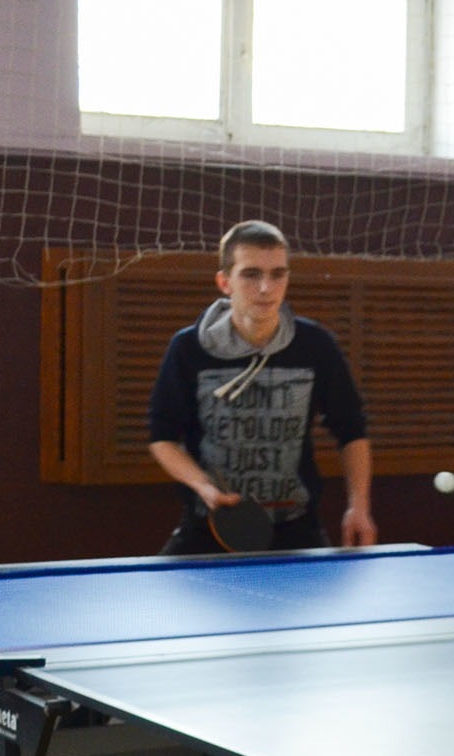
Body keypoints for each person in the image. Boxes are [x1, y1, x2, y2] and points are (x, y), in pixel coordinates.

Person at [148, 220, 377, 554]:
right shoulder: (189, 348)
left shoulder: (316, 346)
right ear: (225, 282)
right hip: (209, 523)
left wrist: (359, 507)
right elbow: (163, 438)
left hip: (296, 528)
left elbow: (352, 430)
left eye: (277, 274)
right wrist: (204, 486)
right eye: (251, 274)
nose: (266, 288)